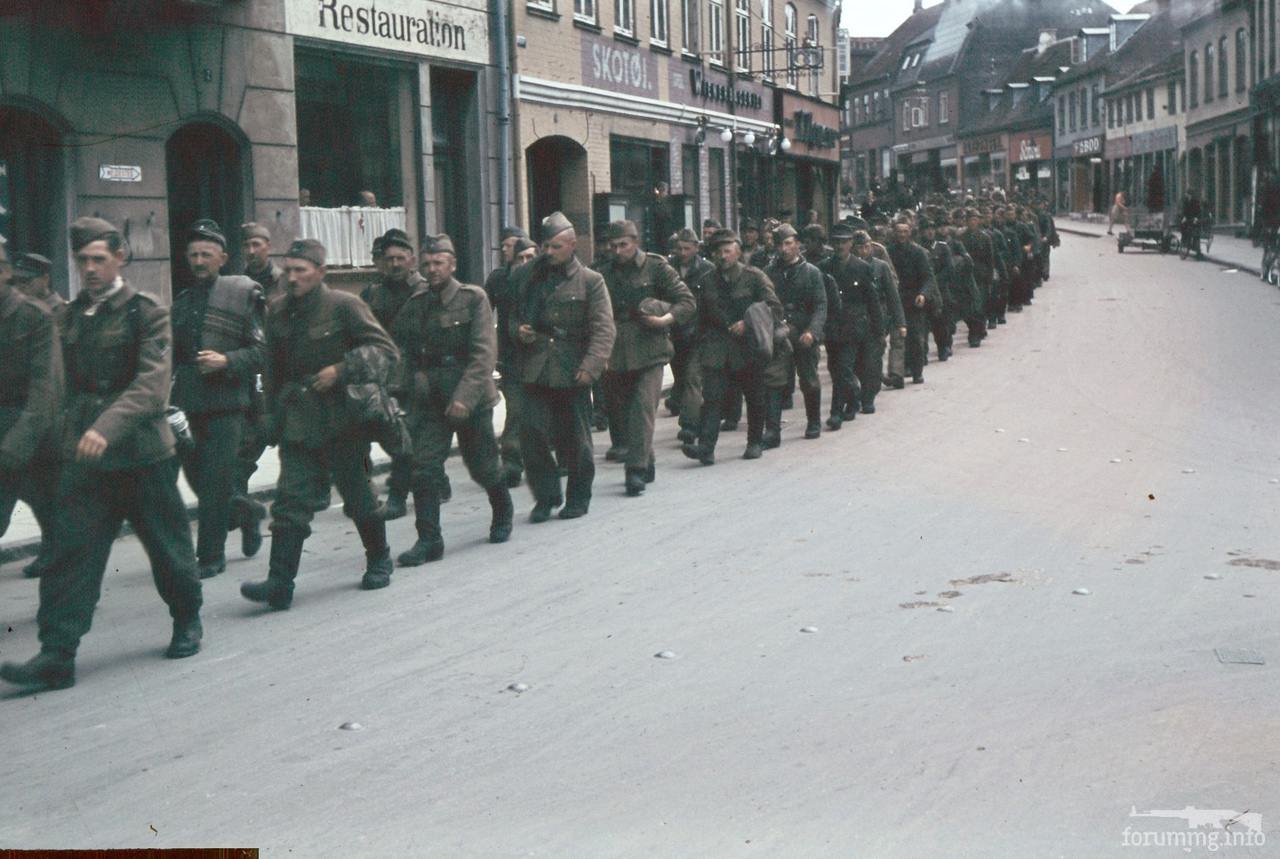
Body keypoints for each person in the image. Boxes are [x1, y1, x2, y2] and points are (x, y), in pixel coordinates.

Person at [2, 217, 205, 691]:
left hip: (142, 455)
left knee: (168, 547)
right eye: (82, 260)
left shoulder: (146, 311)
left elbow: (152, 386)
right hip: (86, 460)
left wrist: (105, 427)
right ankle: (57, 654)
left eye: (98, 259)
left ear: (119, 260)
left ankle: (186, 620)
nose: (90, 268)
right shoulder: (67, 317)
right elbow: (53, 386)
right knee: (68, 554)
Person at [240, 239, 399, 610]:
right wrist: (270, 418)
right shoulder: (277, 312)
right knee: (290, 501)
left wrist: (341, 370)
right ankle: (280, 583)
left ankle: (379, 558)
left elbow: (386, 352)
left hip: (343, 419)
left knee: (359, 497)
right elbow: (272, 370)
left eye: (301, 271)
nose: (292, 278)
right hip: (299, 419)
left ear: (321, 273)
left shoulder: (345, 306)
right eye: (289, 270)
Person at [392, 234, 514, 565]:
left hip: (469, 398)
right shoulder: (416, 304)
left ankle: (502, 510)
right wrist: (406, 386)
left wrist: (464, 398)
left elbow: (483, 354)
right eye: (427, 264)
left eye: (438, 263)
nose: (432, 270)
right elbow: (401, 348)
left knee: (483, 465)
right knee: (424, 468)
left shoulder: (473, 299)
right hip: (429, 399)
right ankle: (429, 539)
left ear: (453, 264)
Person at [169, 219, 265, 579]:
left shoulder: (242, 295)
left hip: (228, 405)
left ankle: (209, 556)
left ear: (222, 258)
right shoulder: (181, 302)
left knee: (213, 485)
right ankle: (247, 513)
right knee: (198, 480)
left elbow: (262, 351)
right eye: (193, 254)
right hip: (189, 406)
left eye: (206, 254)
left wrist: (228, 360)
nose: (198, 261)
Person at [510, 212, 616, 522]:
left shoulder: (590, 281)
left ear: (571, 245)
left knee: (576, 438)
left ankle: (579, 496)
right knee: (532, 434)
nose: (548, 252)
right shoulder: (527, 277)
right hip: (535, 366)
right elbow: (512, 316)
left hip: (572, 367)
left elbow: (603, 328)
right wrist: (518, 330)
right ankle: (546, 495)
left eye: (556, 246)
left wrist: (591, 366)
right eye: (545, 245)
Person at [597, 220, 695, 496]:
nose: (617, 251)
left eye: (623, 245)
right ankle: (646, 458)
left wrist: (665, 317)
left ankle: (635, 470)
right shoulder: (602, 273)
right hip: (616, 351)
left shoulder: (656, 267)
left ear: (635, 242)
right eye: (612, 245)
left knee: (642, 407)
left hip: (650, 347)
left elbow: (686, 301)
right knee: (626, 413)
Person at [681, 228, 781, 464]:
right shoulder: (707, 282)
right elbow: (701, 317)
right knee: (712, 399)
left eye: (727, 251)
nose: (722, 256)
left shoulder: (754, 277)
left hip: (748, 349)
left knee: (755, 397)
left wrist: (748, 323)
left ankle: (754, 442)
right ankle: (706, 447)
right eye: (718, 252)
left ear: (737, 252)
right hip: (717, 350)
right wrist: (699, 345)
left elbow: (774, 308)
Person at [0, 243, 62, 582]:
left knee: (50, 506)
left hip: (34, 434)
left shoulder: (38, 316)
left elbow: (46, 388)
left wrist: (14, 446)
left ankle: (71, 583)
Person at [361, 228, 425, 520]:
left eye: (401, 258)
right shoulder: (371, 293)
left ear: (412, 259)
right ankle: (363, 494)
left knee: (406, 439)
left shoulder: (425, 291)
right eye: (389, 259)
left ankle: (398, 497)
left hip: (416, 376)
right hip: (380, 377)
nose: (395, 264)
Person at [230, 222, 284, 558]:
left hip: (279, 373)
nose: (251, 251)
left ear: (268, 245)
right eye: (246, 245)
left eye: (257, 244)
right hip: (249, 374)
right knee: (243, 446)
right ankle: (244, 509)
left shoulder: (284, 281)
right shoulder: (235, 285)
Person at [763, 224, 827, 444]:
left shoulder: (811, 272)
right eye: (780, 244)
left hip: (803, 333)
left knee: (808, 379)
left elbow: (820, 306)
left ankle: (814, 421)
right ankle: (772, 431)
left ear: (798, 244)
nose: (784, 249)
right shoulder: (770, 272)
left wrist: (812, 331)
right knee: (774, 380)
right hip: (779, 334)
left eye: (788, 243)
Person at [484, 226, 532, 488]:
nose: (506, 249)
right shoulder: (498, 280)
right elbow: (484, 313)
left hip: (541, 354)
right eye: (504, 245)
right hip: (511, 354)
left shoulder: (544, 277)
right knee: (517, 408)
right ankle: (512, 460)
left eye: (511, 244)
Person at [823, 224, 883, 429]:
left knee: (843, 368)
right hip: (831, 327)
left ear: (851, 244)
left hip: (854, 328)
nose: (840, 245)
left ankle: (836, 413)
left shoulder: (862, 268)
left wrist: (879, 331)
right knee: (834, 368)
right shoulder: (824, 267)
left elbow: (873, 301)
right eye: (836, 241)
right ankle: (852, 401)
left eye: (844, 241)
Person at [668, 228, 714, 443]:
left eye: (687, 248)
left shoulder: (707, 270)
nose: (683, 252)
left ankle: (689, 425)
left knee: (692, 379)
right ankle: (696, 412)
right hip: (675, 332)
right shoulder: (668, 268)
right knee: (680, 378)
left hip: (698, 332)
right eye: (679, 248)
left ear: (697, 248)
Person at [853, 229, 902, 414]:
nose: (864, 251)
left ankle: (868, 397)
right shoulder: (849, 265)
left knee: (873, 361)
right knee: (857, 361)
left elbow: (892, 295)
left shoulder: (881, 266)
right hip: (855, 319)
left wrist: (899, 322)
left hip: (878, 319)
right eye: (860, 248)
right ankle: (858, 393)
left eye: (866, 247)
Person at [887, 217, 939, 385]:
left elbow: (928, 278)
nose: (902, 235)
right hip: (896, 299)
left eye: (905, 231)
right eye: (899, 232)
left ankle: (917, 371)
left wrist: (923, 294)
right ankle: (897, 373)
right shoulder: (889, 252)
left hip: (915, 301)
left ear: (910, 233)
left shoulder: (918, 252)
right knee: (898, 337)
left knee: (916, 338)